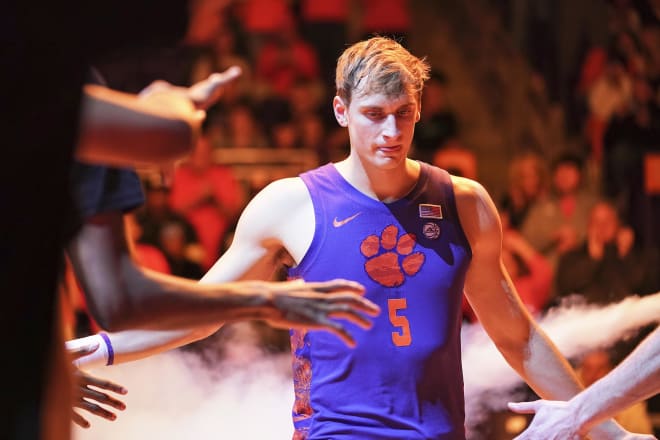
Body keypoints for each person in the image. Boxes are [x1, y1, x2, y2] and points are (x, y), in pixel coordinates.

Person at [69, 37, 635, 439]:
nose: (391, 132)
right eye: (374, 114)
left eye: (403, 114)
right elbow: (205, 309)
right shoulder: (289, 203)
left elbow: (520, 339)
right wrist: (101, 349)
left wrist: (602, 425)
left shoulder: (465, 201)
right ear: (340, 111)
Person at [508, 326, 660, 440]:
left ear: (608, 370)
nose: (594, 374)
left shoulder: (628, 399)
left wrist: (576, 414)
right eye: (589, 369)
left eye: (600, 369)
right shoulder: (563, 390)